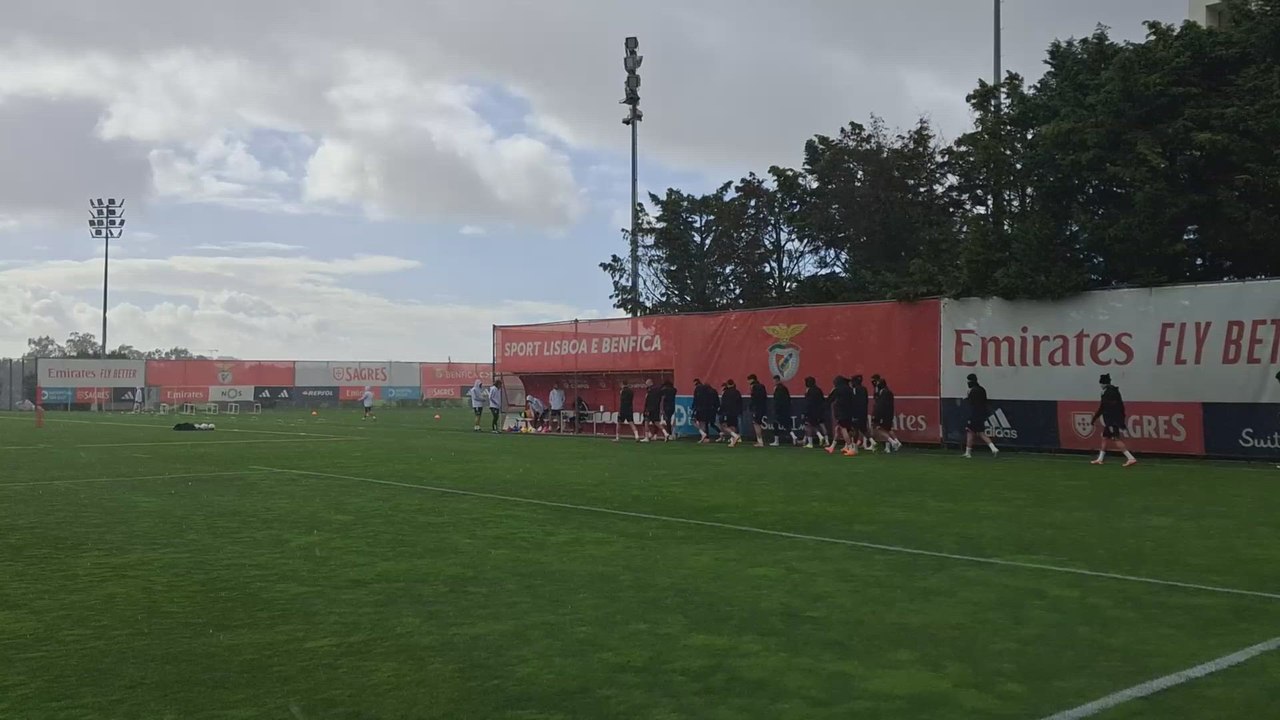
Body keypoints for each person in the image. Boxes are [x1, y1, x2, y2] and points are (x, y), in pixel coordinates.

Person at [1091, 373, 1137, 467]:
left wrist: (1095, 418)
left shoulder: (1108, 393)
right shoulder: (1113, 391)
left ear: (1103, 383)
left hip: (1111, 420)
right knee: (1104, 437)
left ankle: (1130, 458)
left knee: (1115, 438)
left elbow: (1104, 407)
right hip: (1112, 420)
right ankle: (1100, 459)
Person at [963, 373, 1000, 458]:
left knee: (970, 431)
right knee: (980, 433)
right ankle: (993, 448)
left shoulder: (972, 390)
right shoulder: (982, 389)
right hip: (982, 414)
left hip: (974, 414)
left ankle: (968, 453)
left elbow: (971, 403)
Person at [826, 376, 858, 456]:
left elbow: (830, 399)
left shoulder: (837, 389)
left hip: (841, 413)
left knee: (843, 429)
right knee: (839, 429)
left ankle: (850, 448)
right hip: (849, 412)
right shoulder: (849, 389)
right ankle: (832, 447)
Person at [870, 375, 902, 452]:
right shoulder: (887, 392)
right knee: (887, 429)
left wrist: (876, 415)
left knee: (879, 429)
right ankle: (896, 442)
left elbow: (880, 405)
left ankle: (893, 442)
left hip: (883, 415)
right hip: (888, 414)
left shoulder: (884, 393)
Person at [771, 375, 796, 447]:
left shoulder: (778, 389)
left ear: (777, 380)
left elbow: (777, 401)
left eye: (775, 380)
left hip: (779, 410)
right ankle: (793, 436)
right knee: (786, 425)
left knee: (776, 424)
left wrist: (776, 409)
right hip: (785, 409)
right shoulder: (784, 388)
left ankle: (776, 441)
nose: (774, 382)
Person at [802, 376, 827, 449]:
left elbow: (808, 403)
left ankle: (810, 443)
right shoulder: (819, 390)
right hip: (818, 411)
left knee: (808, 426)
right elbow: (822, 400)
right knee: (814, 425)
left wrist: (805, 412)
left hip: (811, 411)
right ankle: (820, 436)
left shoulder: (809, 391)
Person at [719, 380, 744, 447]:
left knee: (725, 426)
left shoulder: (726, 392)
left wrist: (721, 411)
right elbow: (740, 402)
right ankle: (733, 440)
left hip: (727, 412)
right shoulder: (737, 392)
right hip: (735, 412)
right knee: (733, 426)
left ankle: (735, 436)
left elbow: (723, 403)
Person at [747, 374, 770, 448]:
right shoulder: (762, 386)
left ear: (752, 379)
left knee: (756, 424)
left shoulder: (754, 386)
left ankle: (760, 441)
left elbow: (754, 398)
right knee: (758, 423)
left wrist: (751, 406)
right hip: (763, 407)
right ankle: (760, 441)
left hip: (757, 408)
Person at [851, 375, 871, 451]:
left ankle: (855, 448)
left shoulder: (854, 389)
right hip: (863, 412)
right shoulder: (864, 389)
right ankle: (872, 442)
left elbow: (854, 401)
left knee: (855, 429)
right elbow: (866, 401)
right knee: (863, 429)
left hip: (856, 412)